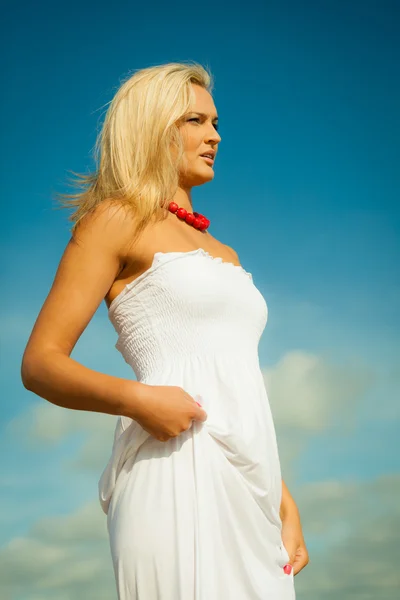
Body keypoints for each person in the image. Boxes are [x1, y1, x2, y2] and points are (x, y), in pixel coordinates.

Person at [21, 61, 309, 599]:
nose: (215, 135)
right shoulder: (114, 219)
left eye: (216, 122)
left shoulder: (227, 254)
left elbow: (233, 379)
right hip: (172, 463)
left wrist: (283, 499)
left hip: (250, 482)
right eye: (195, 120)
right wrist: (140, 400)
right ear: (152, 128)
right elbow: (40, 364)